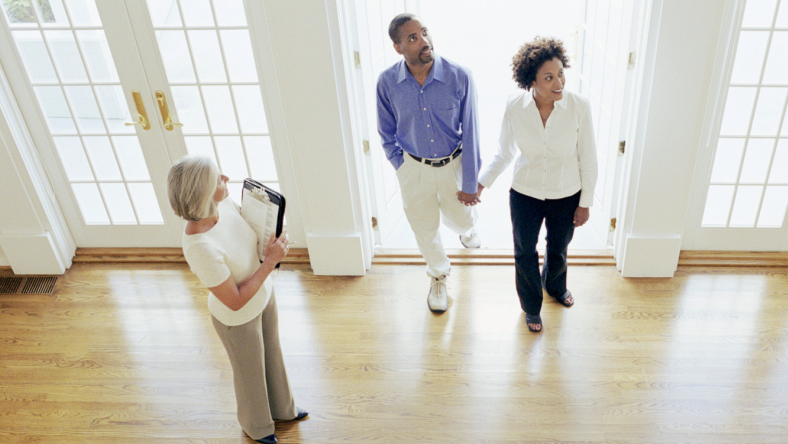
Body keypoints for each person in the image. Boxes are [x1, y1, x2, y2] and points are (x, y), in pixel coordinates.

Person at [167, 155, 307, 444]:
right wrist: (270, 263)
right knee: (249, 375)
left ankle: (283, 409)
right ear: (204, 194)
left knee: (272, 355)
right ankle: (257, 427)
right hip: (238, 318)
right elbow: (234, 300)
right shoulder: (200, 247)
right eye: (219, 178)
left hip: (263, 295)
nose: (227, 178)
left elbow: (247, 230)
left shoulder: (223, 205)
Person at [478, 37, 598, 332]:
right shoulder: (515, 107)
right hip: (525, 193)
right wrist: (481, 184)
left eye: (561, 73)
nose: (559, 82)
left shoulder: (579, 106)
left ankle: (555, 288)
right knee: (524, 251)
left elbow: (589, 158)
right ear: (531, 81)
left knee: (558, 248)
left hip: (566, 193)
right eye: (549, 77)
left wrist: (585, 203)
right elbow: (505, 152)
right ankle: (531, 306)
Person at [377, 13, 483, 313]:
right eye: (412, 38)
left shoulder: (460, 76)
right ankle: (438, 274)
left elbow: (472, 130)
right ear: (398, 48)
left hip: (454, 165)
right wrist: (401, 165)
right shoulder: (387, 83)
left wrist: (471, 181)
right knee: (424, 227)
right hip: (413, 168)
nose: (424, 41)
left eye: (424, 32)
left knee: (462, 217)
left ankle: (466, 231)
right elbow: (386, 131)